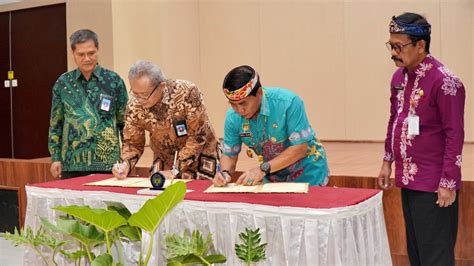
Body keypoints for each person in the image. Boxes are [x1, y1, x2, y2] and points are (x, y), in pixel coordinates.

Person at [378, 12, 465, 266]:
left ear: (420, 46)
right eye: (391, 45)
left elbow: (455, 134)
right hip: (408, 180)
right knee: (416, 253)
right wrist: (387, 161)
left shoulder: (446, 82)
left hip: (434, 185)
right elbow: (394, 120)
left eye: (399, 46)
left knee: (435, 256)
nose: (393, 52)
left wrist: (449, 181)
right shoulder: (399, 78)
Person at [213, 65, 329, 187]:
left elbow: (300, 148)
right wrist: (224, 173)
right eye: (233, 104)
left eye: (243, 103)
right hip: (272, 176)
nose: (239, 110)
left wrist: (262, 169)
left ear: (259, 92)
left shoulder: (288, 103)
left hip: (308, 173)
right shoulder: (233, 117)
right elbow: (230, 155)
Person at [112, 60, 219, 180]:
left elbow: (197, 137)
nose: (140, 100)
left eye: (144, 95)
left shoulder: (187, 92)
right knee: (158, 193)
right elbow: (133, 143)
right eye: (135, 94)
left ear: (161, 86)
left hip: (200, 157)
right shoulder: (134, 106)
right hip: (164, 158)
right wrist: (125, 164)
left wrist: (175, 170)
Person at [48, 29, 128, 179]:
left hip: (108, 165)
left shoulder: (114, 81)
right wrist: (55, 157)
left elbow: (125, 124)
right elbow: (55, 124)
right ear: (73, 54)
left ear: (98, 50)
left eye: (91, 53)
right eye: (81, 54)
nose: (87, 58)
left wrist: (126, 160)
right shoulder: (62, 83)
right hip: (71, 164)